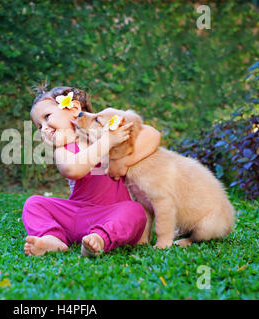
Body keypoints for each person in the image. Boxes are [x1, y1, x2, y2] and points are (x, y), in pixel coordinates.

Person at [22, 85, 160, 256]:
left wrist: (123, 163)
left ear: (74, 109)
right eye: (38, 126)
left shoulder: (102, 129)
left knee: (134, 211)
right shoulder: (63, 150)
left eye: (47, 117)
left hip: (113, 214)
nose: (44, 128)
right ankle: (52, 238)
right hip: (77, 215)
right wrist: (107, 142)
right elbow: (73, 170)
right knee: (33, 203)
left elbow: (152, 134)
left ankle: (99, 238)